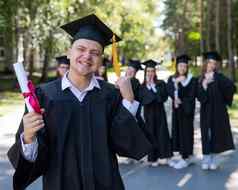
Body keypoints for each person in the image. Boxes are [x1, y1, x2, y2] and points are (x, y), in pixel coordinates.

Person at [8, 14, 151, 190]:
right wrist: (29, 137)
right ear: (69, 52)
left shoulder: (111, 95)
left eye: (95, 52)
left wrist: (129, 101)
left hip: (105, 183)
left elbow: (126, 145)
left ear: (100, 59)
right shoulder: (44, 95)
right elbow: (34, 160)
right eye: (81, 49)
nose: (87, 56)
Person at [197, 51, 236, 170]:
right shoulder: (200, 79)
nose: (211, 65)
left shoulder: (219, 77)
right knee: (206, 135)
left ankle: (214, 159)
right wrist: (204, 84)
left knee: (216, 134)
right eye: (209, 63)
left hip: (218, 112)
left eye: (214, 63)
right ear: (205, 64)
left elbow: (231, 87)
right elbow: (200, 97)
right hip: (206, 112)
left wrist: (217, 80)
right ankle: (206, 158)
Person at [138, 59, 172, 167]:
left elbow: (163, 98)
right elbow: (143, 101)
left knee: (162, 133)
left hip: (160, 113)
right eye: (148, 71)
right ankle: (152, 158)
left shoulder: (160, 83)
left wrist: (153, 88)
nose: (150, 73)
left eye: (152, 71)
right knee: (151, 133)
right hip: (149, 114)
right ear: (145, 72)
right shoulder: (142, 86)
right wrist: (150, 89)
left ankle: (163, 156)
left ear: (155, 72)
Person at [167, 54, 197, 169]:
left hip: (187, 111)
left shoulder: (191, 79)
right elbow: (169, 89)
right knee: (178, 132)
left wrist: (182, 101)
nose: (182, 68)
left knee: (186, 133)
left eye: (184, 66)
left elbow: (192, 95)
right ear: (177, 66)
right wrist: (176, 84)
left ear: (187, 67)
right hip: (177, 111)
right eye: (180, 66)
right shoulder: (172, 78)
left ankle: (186, 157)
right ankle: (186, 156)